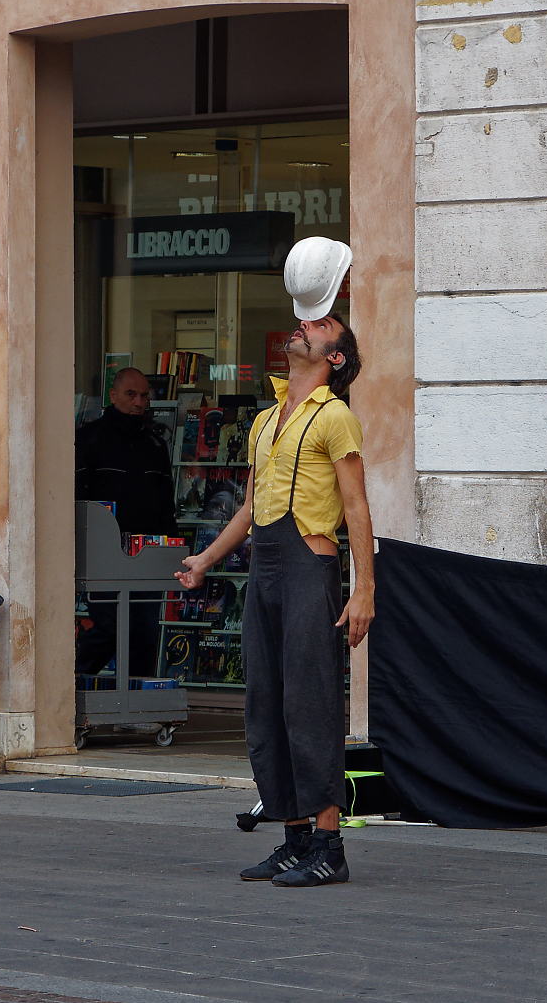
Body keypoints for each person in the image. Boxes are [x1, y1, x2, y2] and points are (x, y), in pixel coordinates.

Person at [177, 237, 374, 887]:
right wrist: (204, 557)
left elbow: (357, 508)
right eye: (306, 321)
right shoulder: (264, 420)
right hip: (263, 570)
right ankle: (292, 837)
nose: (305, 326)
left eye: (319, 325)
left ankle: (328, 844)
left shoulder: (335, 417)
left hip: (308, 571)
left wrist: (362, 590)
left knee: (310, 705)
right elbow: (250, 508)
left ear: (334, 356)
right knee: (264, 706)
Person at [75, 366, 179, 677]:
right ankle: (73, 689)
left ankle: (137, 708)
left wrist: (170, 551)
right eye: (131, 395)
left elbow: (166, 506)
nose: (138, 402)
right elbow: (78, 500)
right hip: (104, 554)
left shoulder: (156, 445)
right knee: (108, 626)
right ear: (114, 395)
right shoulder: (89, 439)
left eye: (144, 396)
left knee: (145, 631)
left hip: (147, 553)